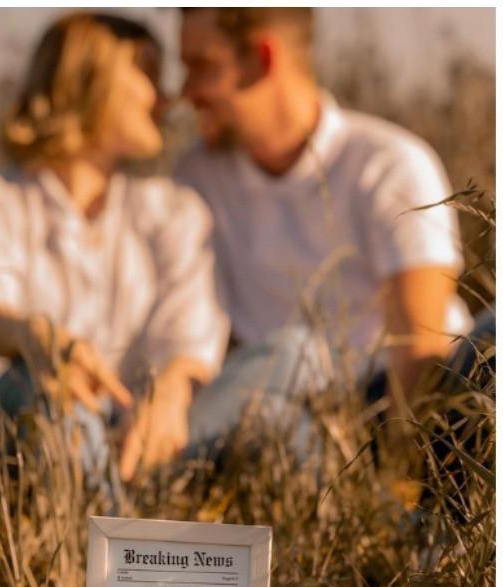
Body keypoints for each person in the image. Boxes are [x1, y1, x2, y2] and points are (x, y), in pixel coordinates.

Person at [0, 13, 229, 482]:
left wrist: (168, 394)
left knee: (282, 366)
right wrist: (36, 338)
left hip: (130, 434)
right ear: (85, 81)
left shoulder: (174, 211)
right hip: (0, 442)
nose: (165, 99)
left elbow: (188, 337)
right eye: (147, 74)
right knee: (57, 393)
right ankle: (108, 544)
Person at [174, 7, 476, 431]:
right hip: (282, 410)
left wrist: (393, 471)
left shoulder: (389, 162)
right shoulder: (195, 177)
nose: (184, 91)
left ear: (261, 59)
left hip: (412, 402)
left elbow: (420, 338)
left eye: (201, 67)